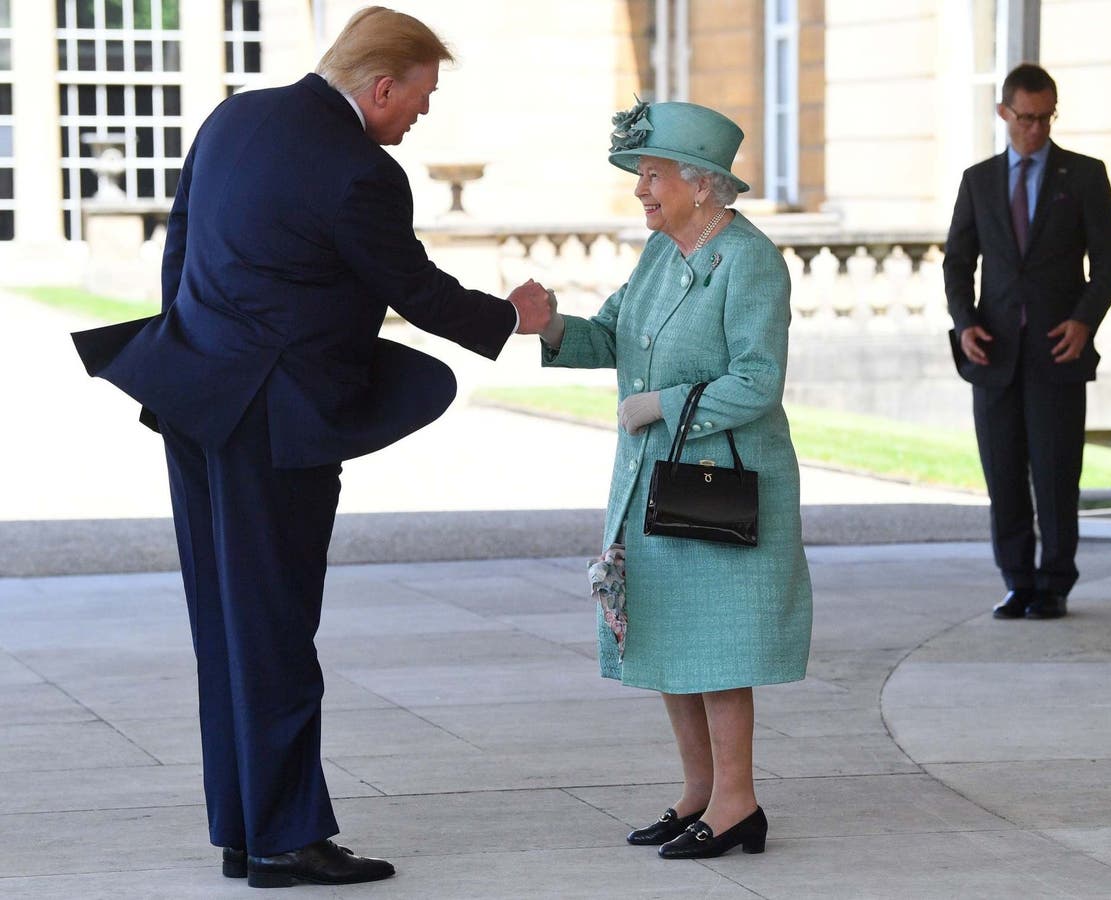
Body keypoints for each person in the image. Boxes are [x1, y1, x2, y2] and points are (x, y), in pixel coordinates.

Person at [71, 7, 551, 889]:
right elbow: (413, 287)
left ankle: (245, 826)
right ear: (381, 86)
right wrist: (512, 318)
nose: (421, 117)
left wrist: (194, 357)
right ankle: (287, 840)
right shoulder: (358, 171)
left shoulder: (234, 117)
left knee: (226, 625)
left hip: (195, 398)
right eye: (420, 98)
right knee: (278, 628)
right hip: (275, 424)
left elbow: (177, 260)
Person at [539, 100, 812, 859]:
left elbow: (758, 381)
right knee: (668, 636)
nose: (640, 191)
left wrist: (663, 405)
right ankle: (699, 793)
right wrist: (554, 327)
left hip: (722, 484)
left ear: (702, 184)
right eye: (641, 176)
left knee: (719, 648)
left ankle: (738, 803)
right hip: (653, 480)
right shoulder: (660, 254)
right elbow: (613, 334)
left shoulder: (752, 260)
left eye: (652, 175)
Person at [944, 63, 1111, 621]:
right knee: (1003, 473)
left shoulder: (1085, 176)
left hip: (1058, 351)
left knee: (1055, 472)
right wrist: (966, 320)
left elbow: (1109, 263)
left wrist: (1084, 321)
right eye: (1026, 118)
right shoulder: (979, 180)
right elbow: (957, 262)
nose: (1036, 130)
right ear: (1004, 114)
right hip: (993, 352)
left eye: (1046, 118)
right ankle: (1018, 581)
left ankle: (1055, 584)